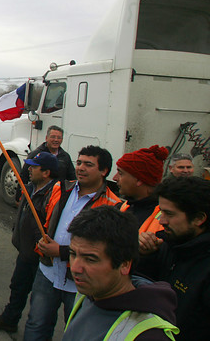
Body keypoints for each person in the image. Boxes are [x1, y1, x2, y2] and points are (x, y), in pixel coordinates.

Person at [23, 145, 127, 341]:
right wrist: (42, 240)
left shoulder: (113, 205)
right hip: (48, 272)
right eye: (79, 163)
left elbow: (106, 248)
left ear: (104, 171)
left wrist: (61, 251)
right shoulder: (60, 188)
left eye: (88, 164)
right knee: (36, 324)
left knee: (77, 334)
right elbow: (44, 218)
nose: (80, 168)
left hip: (81, 283)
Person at [63, 206, 178, 340]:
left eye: (90, 259)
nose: (75, 268)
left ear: (124, 264)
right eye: (72, 254)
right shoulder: (88, 294)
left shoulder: (149, 335)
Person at [0, 152, 59, 333]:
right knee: (18, 287)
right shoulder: (31, 188)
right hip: (25, 251)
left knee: (41, 300)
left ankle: (37, 333)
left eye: (34, 167)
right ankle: (10, 319)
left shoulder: (54, 194)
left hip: (40, 256)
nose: (29, 170)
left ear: (46, 172)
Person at [137, 176, 210, 340]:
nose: (161, 221)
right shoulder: (167, 245)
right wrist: (144, 256)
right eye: (161, 212)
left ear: (199, 218)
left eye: (169, 214)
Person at [113, 145, 169, 232]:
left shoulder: (165, 217)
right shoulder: (125, 206)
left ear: (139, 179)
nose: (114, 178)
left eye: (121, 173)